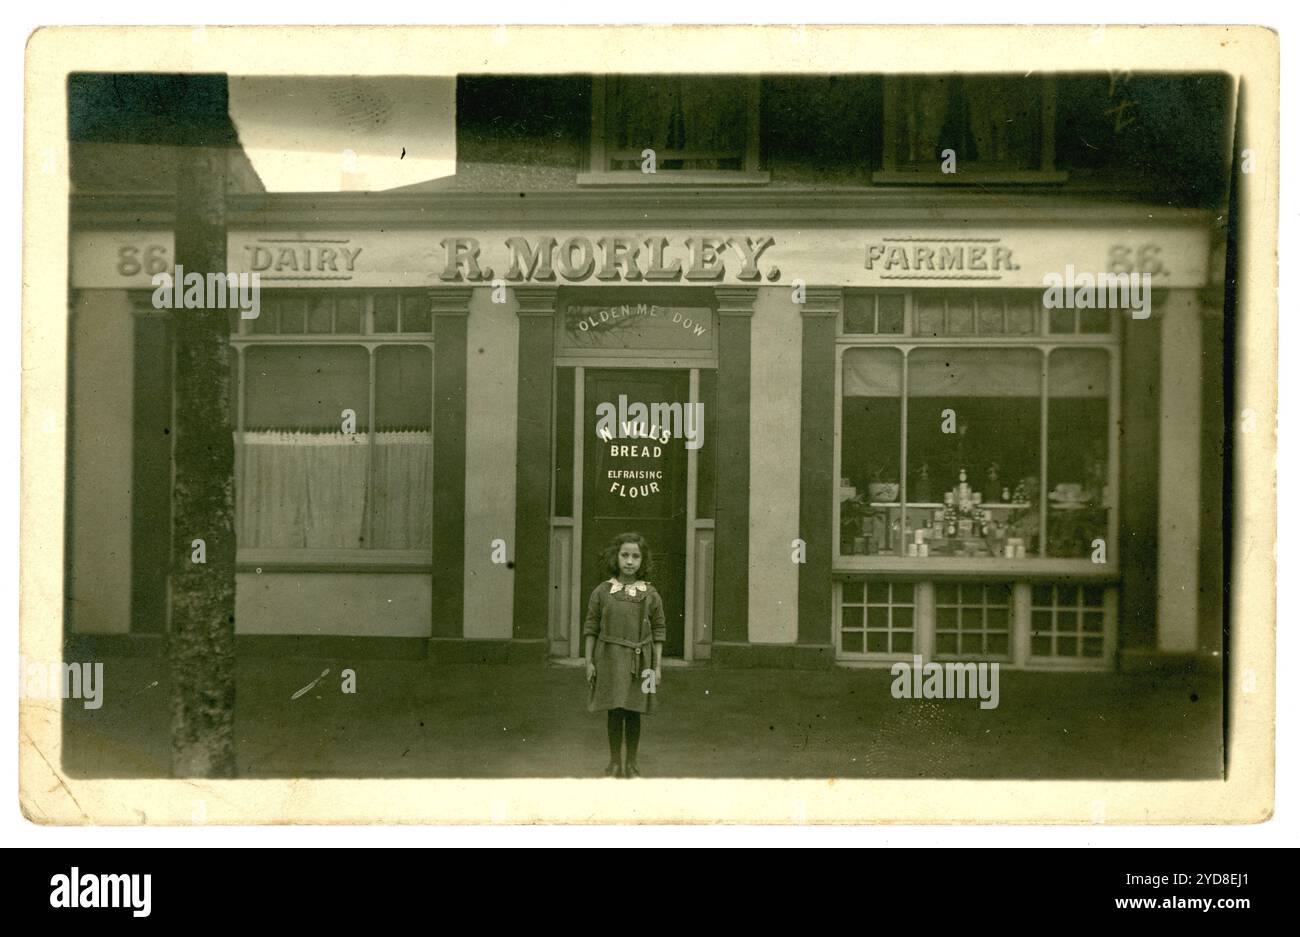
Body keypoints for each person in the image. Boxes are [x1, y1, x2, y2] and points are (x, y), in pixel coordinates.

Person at [584, 532, 665, 778]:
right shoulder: (602, 591)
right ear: (616, 557)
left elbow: (659, 630)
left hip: (641, 661)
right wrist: (589, 662)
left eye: (635, 556)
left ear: (643, 561)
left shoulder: (650, 594)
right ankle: (614, 762)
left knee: (633, 711)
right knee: (614, 710)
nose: (630, 561)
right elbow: (591, 628)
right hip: (608, 658)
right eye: (625, 555)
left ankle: (632, 762)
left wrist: (657, 667)